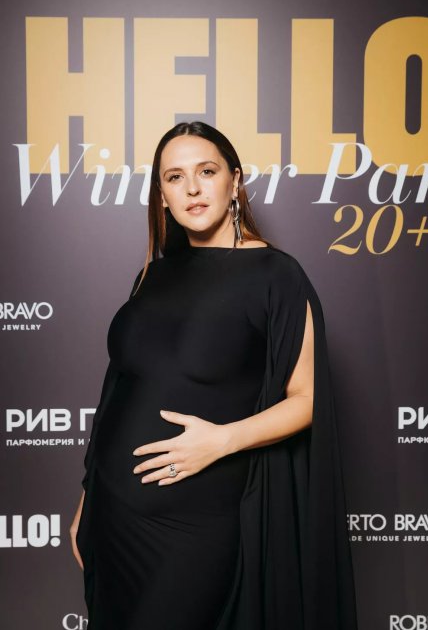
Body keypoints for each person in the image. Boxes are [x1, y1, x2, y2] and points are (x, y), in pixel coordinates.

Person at [70, 121, 358, 630]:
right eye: (174, 177)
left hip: (195, 525)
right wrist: (87, 500)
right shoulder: (153, 275)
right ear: (161, 195)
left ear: (234, 181)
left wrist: (221, 441)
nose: (192, 189)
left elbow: (308, 398)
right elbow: (120, 388)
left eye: (206, 171)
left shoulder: (275, 275)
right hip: (114, 518)